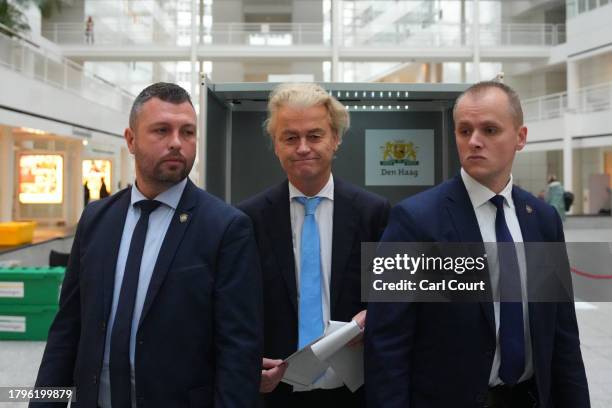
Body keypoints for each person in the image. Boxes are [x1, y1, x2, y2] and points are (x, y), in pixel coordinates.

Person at [31, 83, 262, 408]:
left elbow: (238, 347)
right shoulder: (97, 219)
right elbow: (68, 327)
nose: (177, 143)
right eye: (161, 130)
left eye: (188, 132)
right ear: (131, 140)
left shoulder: (225, 227)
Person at [365, 81, 590, 408]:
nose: (474, 141)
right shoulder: (415, 221)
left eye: (490, 129)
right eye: (464, 130)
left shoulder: (542, 220)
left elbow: (562, 334)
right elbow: (386, 342)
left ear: (520, 137)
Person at [238, 83, 390, 407]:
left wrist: (374, 316)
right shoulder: (248, 220)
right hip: (275, 394)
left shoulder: (374, 214)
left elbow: (395, 299)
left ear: (336, 139)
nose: (303, 147)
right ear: (276, 146)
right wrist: (245, 366)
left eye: (315, 135)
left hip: (354, 393)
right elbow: (236, 312)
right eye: (290, 137)